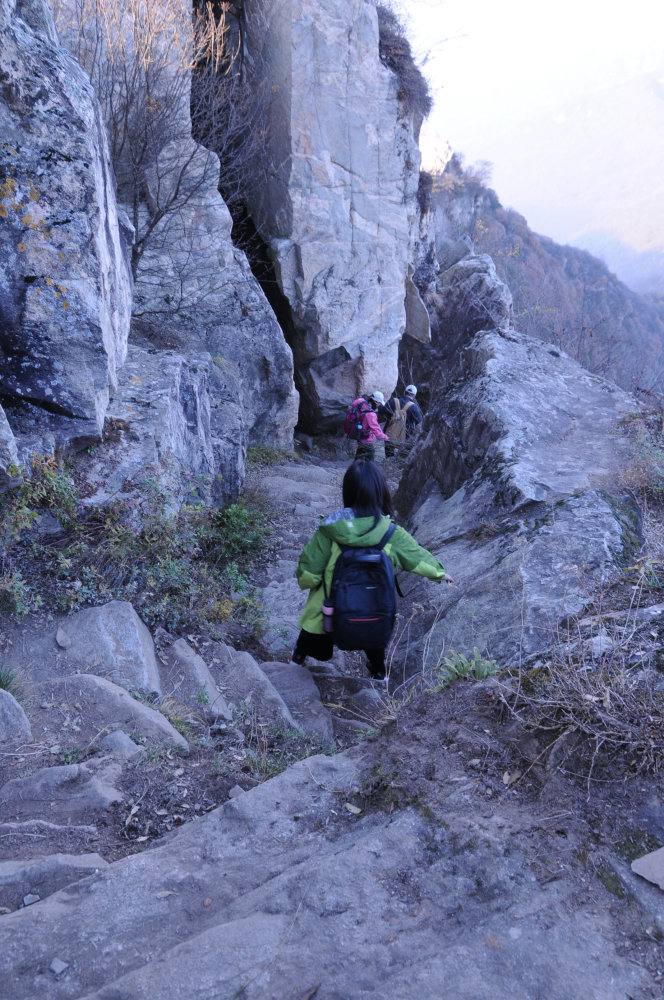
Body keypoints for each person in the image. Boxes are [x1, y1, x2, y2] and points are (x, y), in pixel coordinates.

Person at [291, 459, 454, 680]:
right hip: (374, 608)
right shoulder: (390, 533)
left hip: (331, 606)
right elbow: (416, 556)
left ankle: (296, 661)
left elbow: (310, 571)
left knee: (313, 624)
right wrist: (440, 573)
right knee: (376, 639)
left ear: (347, 491)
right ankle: (379, 673)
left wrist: (306, 582)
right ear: (380, 492)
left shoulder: (330, 530)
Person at [379, 384, 423, 449]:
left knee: (389, 454)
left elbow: (382, 412)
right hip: (405, 437)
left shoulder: (393, 401)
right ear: (414, 395)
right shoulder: (414, 407)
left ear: (404, 392)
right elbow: (420, 423)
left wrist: (380, 404)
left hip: (389, 433)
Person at [351, 392, 389, 461]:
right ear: (376, 402)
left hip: (358, 434)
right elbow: (377, 431)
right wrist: (386, 437)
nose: (379, 406)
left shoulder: (361, 402)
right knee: (370, 459)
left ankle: (354, 468)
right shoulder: (371, 414)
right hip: (366, 439)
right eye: (379, 404)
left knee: (359, 455)